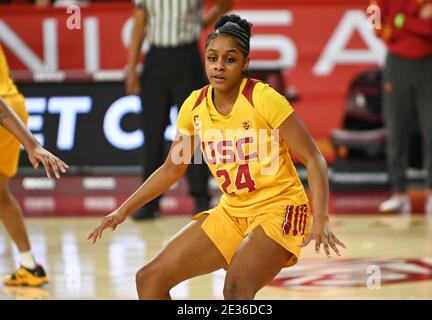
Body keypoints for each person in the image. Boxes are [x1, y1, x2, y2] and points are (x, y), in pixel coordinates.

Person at [88, 14, 346, 300]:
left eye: (230, 59)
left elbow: (314, 158)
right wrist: (122, 211)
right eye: (212, 58)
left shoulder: (263, 98)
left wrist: (321, 217)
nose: (219, 66)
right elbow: (172, 169)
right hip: (233, 210)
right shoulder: (194, 106)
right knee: (149, 280)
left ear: (245, 63)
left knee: (235, 290)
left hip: (280, 208)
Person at [126, 0, 233, 219]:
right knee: (152, 130)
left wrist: (203, 22)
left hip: (187, 57)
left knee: (194, 129)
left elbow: (226, 3)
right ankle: (150, 202)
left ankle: (200, 196)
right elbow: (140, 24)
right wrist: (132, 68)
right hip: (156, 57)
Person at [0, 46, 69, 287]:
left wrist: (32, 145)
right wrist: (31, 144)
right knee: (0, 193)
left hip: (4, 111)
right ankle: (29, 265)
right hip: (13, 107)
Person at [373, 0, 432, 214]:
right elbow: (376, 26)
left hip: (430, 63)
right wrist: (410, 20)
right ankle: (398, 192)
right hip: (397, 64)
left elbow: (428, 27)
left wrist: (397, 20)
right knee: (396, 131)